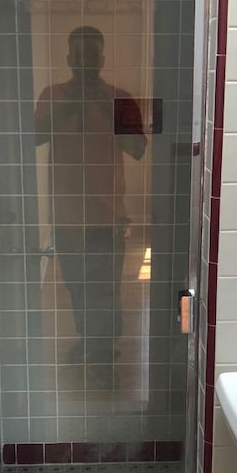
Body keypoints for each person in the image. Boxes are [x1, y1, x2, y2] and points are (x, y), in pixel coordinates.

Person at [34, 26, 146, 387]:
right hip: (67, 218)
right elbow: (33, 137)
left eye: (91, 54)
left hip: (108, 216)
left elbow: (138, 148)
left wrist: (99, 103)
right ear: (68, 59)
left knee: (105, 289)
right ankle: (90, 339)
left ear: (102, 58)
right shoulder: (52, 97)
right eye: (77, 54)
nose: (84, 61)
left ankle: (102, 356)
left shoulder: (120, 100)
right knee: (77, 287)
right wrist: (72, 104)